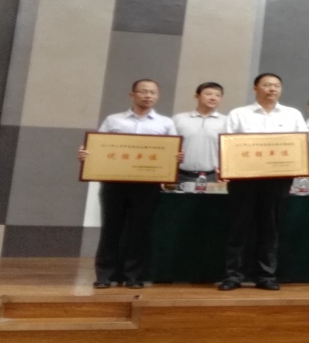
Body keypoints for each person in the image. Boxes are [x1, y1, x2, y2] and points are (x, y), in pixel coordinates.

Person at [78, 79, 180, 289]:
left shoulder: (165, 123)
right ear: (132, 94)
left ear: (157, 96)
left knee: (140, 230)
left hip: (148, 185)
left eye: (152, 92)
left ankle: (133, 276)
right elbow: (98, 147)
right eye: (143, 91)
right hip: (115, 183)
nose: (148, 95)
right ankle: (105, 276)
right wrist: (86, 154)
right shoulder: (113, 120)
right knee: (111, 228)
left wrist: (176, 157)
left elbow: (173, 152)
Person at [219, 73, 308, 292]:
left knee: (271, 229)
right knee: (239, 228)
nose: (272, 89)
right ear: (255, 88)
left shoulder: (292, 114)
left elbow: (302, 144)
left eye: (276, 85)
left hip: (278, 180)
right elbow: (227, 144)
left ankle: (266, 275)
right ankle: (233, 275)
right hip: (243, 179)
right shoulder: (239, 114)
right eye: (267, 85)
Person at [172, 81, 225, 186]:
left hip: (212, 177)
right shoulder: (179, 119)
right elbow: (168, 148)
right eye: (208, 94)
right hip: (180, 175)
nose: (213, 98)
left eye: (218, 95)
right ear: (197, 96)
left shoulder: (226, 121)